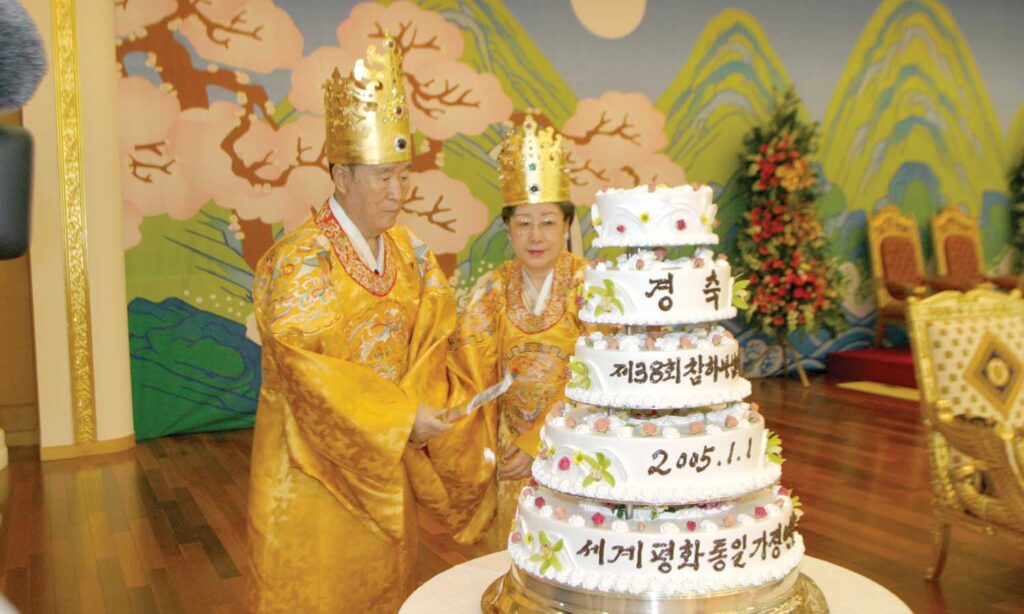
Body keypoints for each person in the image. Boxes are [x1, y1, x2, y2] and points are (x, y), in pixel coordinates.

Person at [247, 36, 491, 613]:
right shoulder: (302, 260)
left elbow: (437, 338)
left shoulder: (410, 251)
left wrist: (435, 406)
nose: (397, 192)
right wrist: (403, 418)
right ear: (341, 176)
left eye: (403, 176)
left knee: (388, 588)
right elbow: (309, 375)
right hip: (312, 478)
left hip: (387, 469)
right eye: (382, 177)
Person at [451, 116, 588, 550]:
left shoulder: (593, 286)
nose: (535, 236)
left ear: (566, 225)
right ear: (507, 227)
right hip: (510, 449)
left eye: (547, 222)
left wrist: (542, 441)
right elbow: (467, 371)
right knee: (517, 554)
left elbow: (604, 378)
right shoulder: (492, 288)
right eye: (523, 222)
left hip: (578, 444)